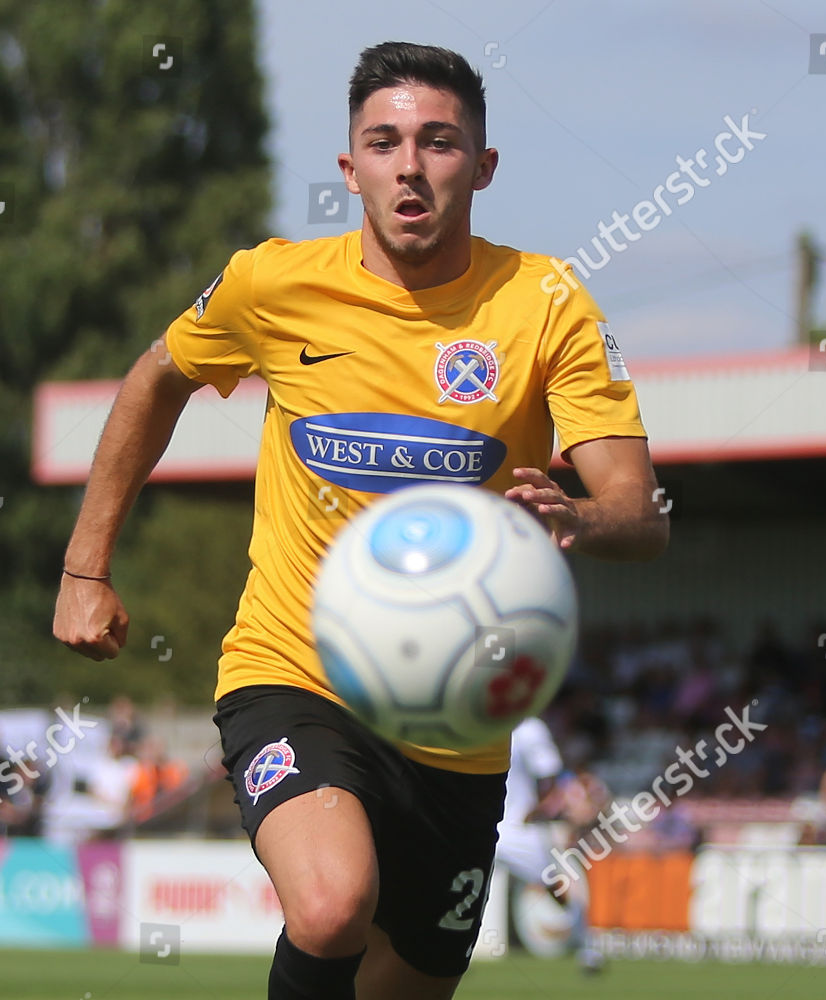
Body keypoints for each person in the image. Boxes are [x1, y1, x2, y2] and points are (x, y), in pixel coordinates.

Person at [53, 41, 666, 1000]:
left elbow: (641, 509)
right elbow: (156, 378)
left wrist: (581, 517)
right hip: (296, 672)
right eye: (384, 143)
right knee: (333, 904)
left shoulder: (547, 304)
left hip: (459, 713)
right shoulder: (271, 283)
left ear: (483, 167)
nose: (409, 166)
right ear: (350, 168)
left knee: (406, 982)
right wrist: (85, 568)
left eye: (439, 143)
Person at [494, 716, 601, 974]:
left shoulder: (528, 727)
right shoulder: (485, 721)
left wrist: (542, 808)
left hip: (517, 829)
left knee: (557, 885)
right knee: (462, 885)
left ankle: (587, 948)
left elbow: (550, 774)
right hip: (486, 825)